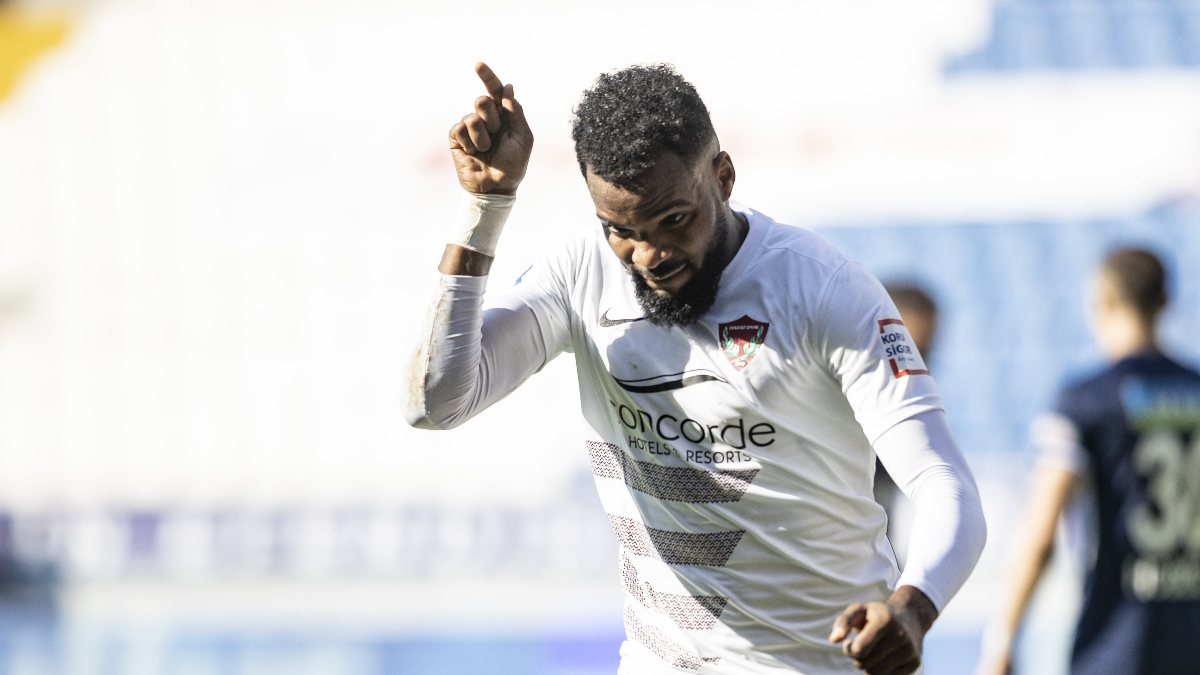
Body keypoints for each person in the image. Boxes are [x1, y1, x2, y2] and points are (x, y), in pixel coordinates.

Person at [406, 62, 987, 675]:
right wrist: (486, 207)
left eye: (674, 220)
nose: (649, 255)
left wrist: (912, 609)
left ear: (724, 176)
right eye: (621, 231)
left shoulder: (824, 289)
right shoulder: (581, 275)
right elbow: (435, 402)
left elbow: (942, 480)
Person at [974, 247, 1200, 675]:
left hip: (1114, 643)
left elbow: (1041, 533)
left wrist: (1001, 640)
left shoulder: (1087, 400)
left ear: (1103, 302)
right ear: (1164, 301)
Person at [874, 283, 941, 569]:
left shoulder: (907, 418)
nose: (917, 368)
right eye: (906, 353)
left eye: (925, 353)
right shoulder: (833, 422)